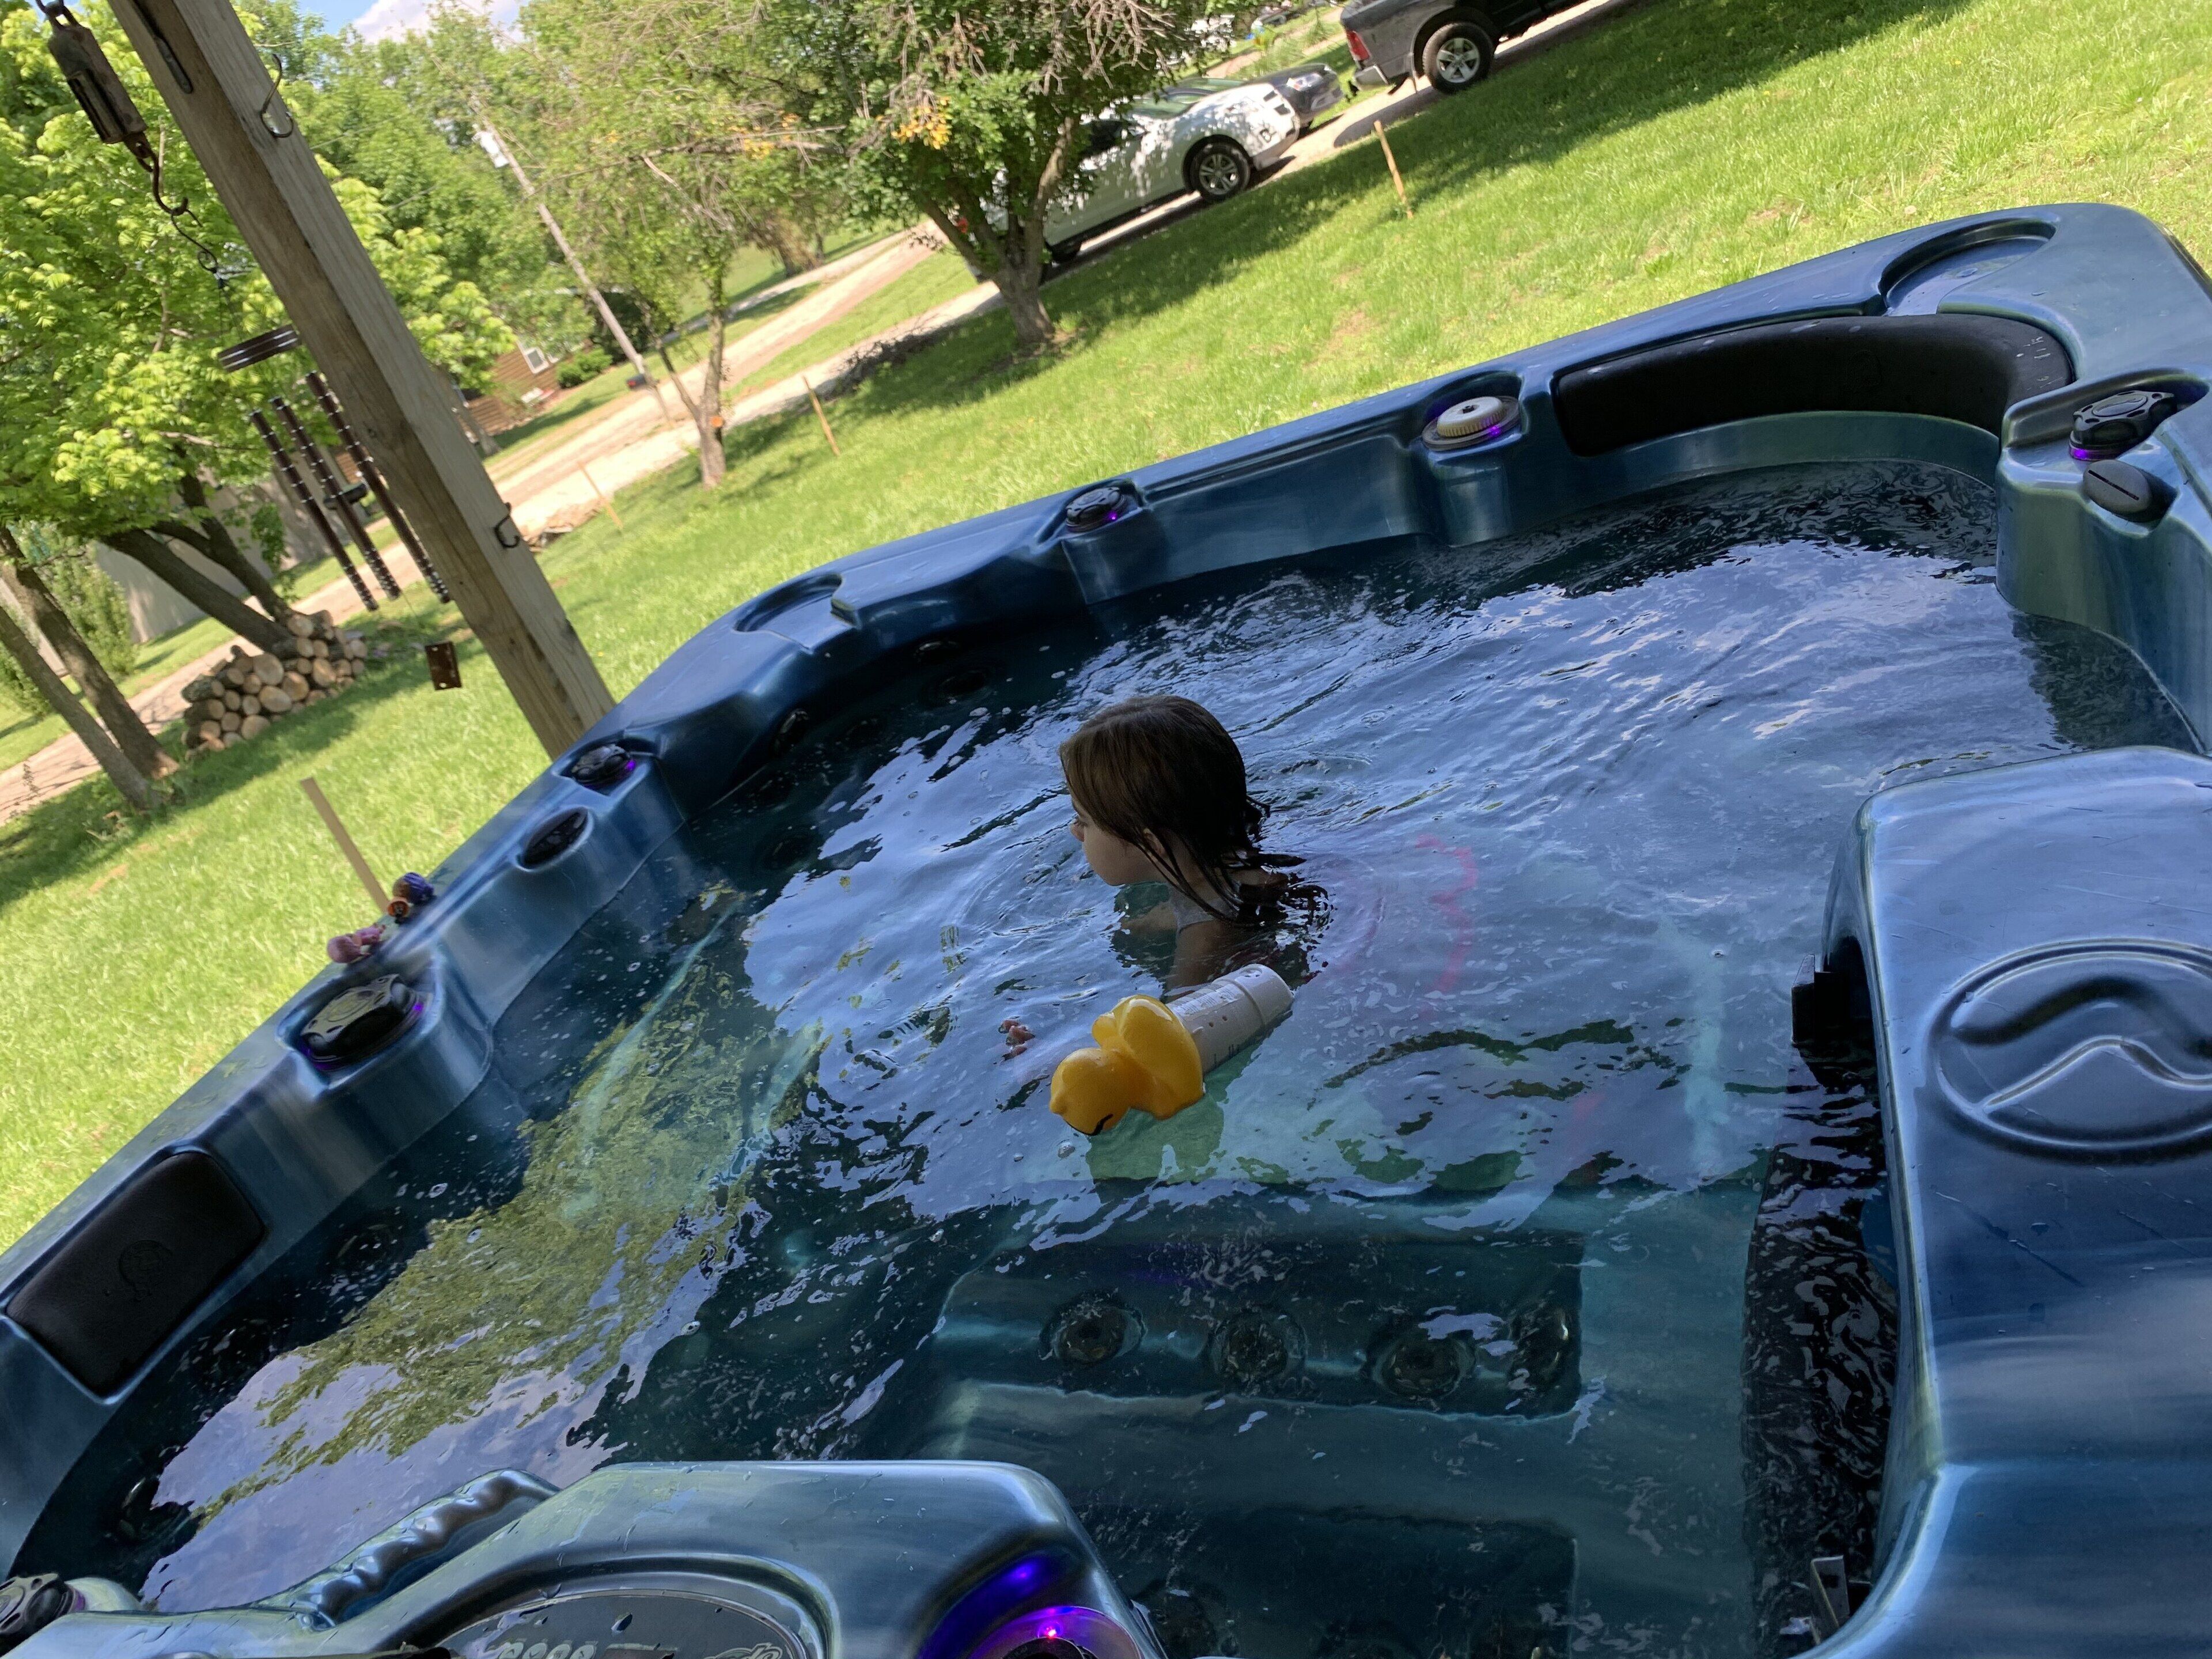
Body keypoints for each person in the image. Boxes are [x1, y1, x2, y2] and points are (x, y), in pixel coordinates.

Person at [1058, 694, 1310, 987]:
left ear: (1151, 845)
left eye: (1083, 821)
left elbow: (1179, 1012)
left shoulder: (1204, 935)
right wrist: (1159, 920)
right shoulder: (1236, 862)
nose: (1075, 831)